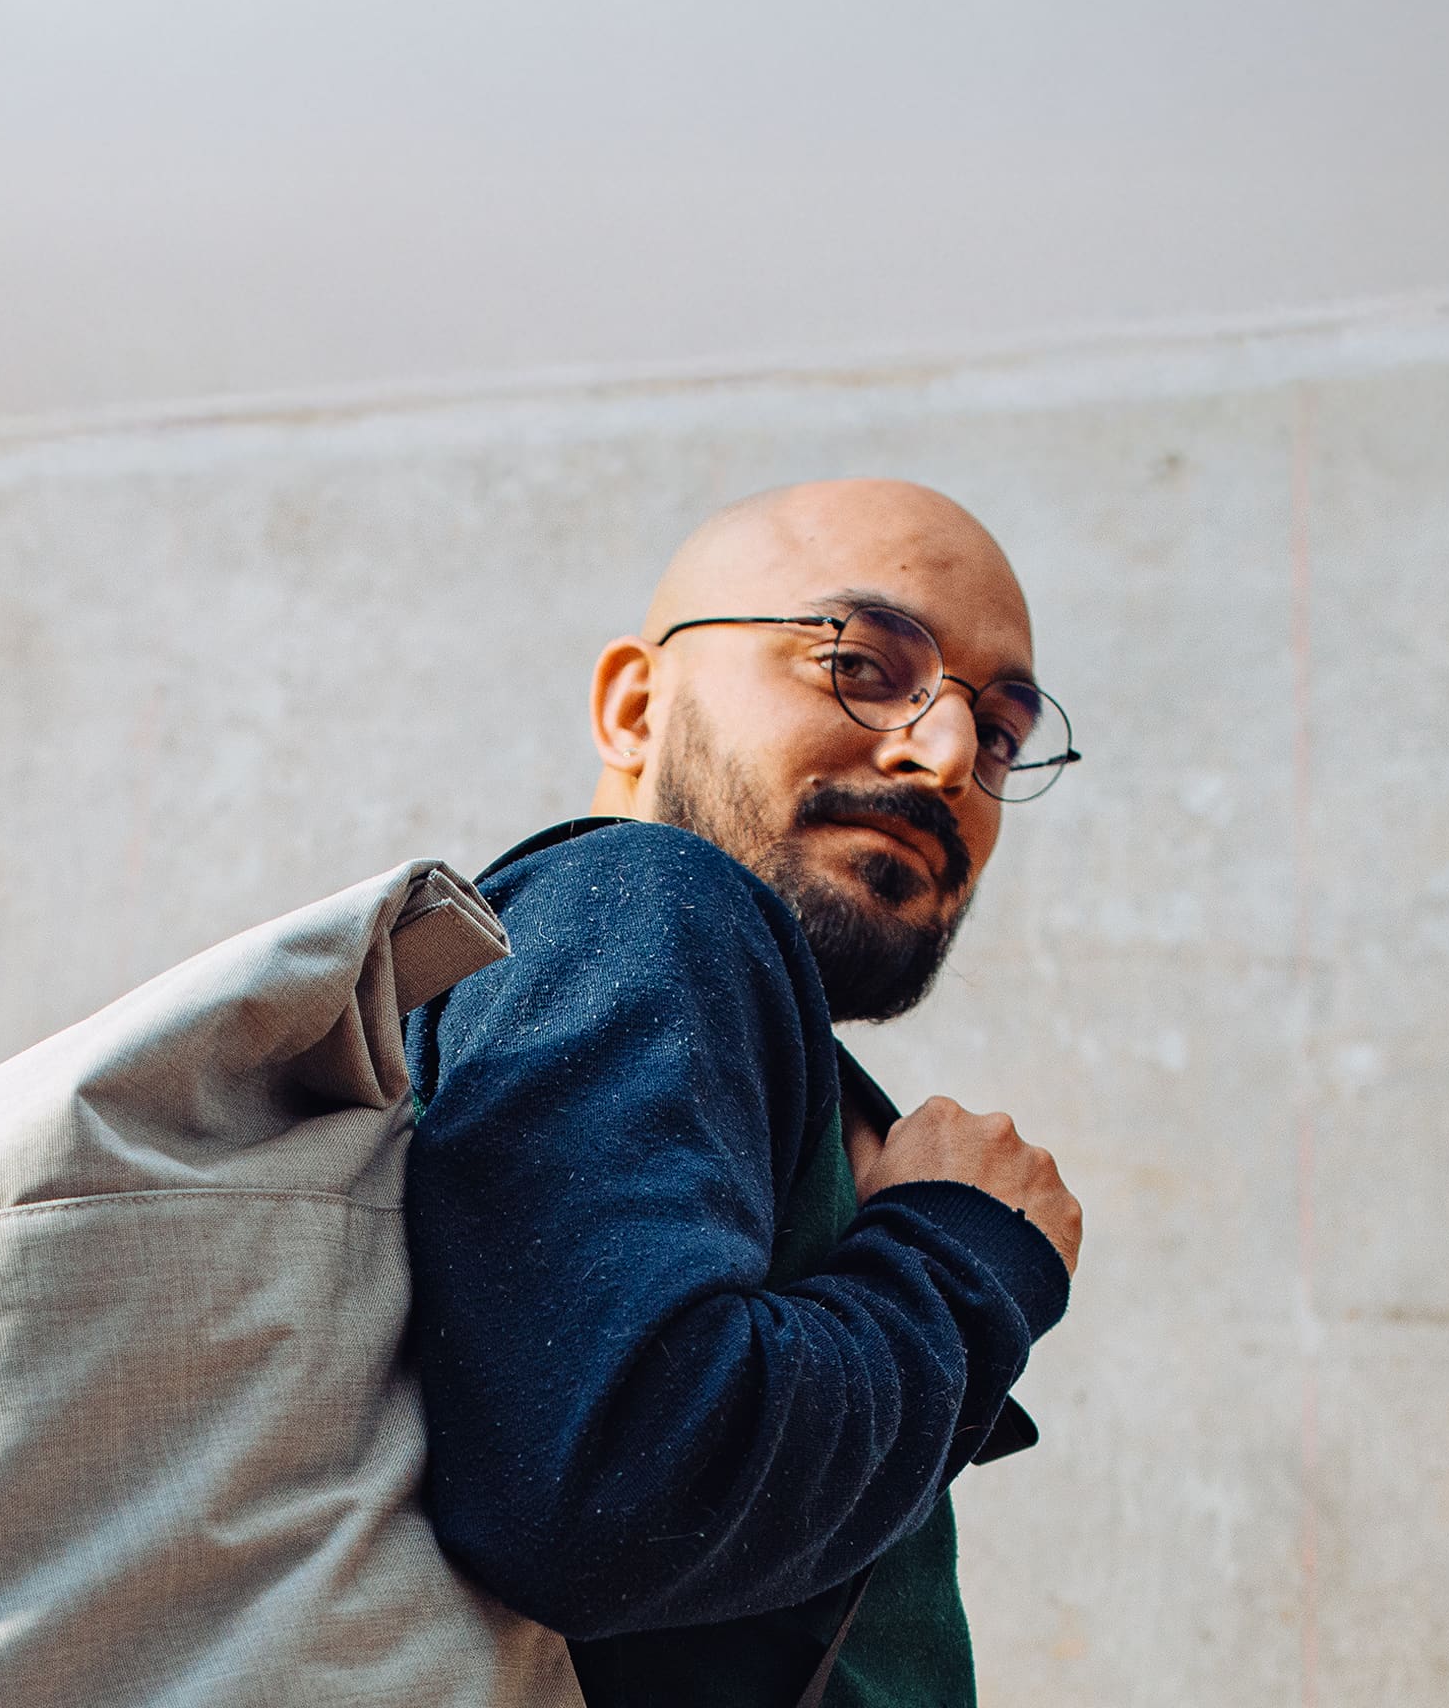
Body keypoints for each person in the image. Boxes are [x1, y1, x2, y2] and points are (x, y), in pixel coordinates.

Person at [403, 478, 1087, 1708]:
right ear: (634, 704)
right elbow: (612, 1496)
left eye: (999, 734)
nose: (945, 759)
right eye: (866, 665)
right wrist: (961, 1255)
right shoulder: (648, 902)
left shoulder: (755, 1048)